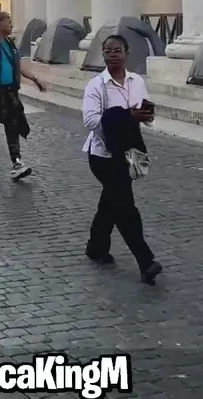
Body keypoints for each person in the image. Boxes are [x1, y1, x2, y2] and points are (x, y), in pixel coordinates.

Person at [81, 34, 164, 285]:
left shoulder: (136, 81)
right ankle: (146, 261)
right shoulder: (96, 85)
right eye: (107, 51)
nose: (112, 54)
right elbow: (90, 121)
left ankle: (96, 247)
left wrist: (146, 116)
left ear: (126, 52)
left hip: (128, 154)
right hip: (103, 156)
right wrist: (126, 116)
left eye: (117, 50)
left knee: (110, 203)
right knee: (125, 207)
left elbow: (144, 113)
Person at [0, 11, 47, 179]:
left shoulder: (11, 44)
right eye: (9, 22)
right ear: (1, 25)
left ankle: (16, 162)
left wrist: (35, 79)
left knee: (13, 127)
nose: (12, 25)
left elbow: (18, 66)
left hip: (10, 93)